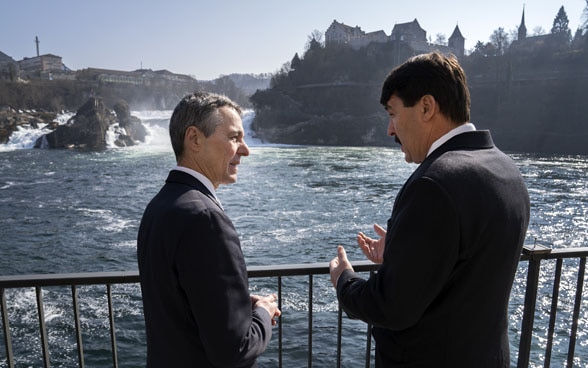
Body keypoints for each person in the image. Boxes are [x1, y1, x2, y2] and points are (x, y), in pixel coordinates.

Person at [329, 52, 530, 367]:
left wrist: (344, 280)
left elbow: (391, 308)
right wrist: (400, 253)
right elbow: (464, 266)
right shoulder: (507, 170)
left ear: (426, 107)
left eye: (393, 113)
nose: (390, 130)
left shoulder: (434, 183)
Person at [137, 91, 281, 367]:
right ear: (194, 139)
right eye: (234, 137)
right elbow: (235, 350)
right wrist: (263, 312)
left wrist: (234, 305)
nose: (246, 149)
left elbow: (179, 300)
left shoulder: (160, 205)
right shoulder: (205, 218)